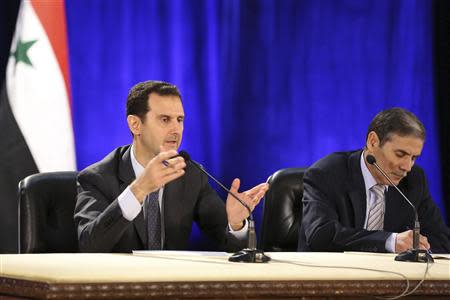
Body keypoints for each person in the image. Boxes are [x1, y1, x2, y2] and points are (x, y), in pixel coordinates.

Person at [74, 80, 268, 253]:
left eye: (180, 120)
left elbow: (232, 247)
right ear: (135, 125)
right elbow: (89, 245)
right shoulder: (97, 178)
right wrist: (139, 189)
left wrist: (235, 225)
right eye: (165, 119)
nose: (176, 129)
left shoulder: (190, 174)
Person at [298, 107, 450, 253]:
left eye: (413, 158)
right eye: (400, 154)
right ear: (373, 142)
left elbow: (441, 239)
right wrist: (390, 241)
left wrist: (419, 246)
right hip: (329, 275)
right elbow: (320, 235)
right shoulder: (327, 173)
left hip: (394, 277)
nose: (407, 167)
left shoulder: (415, 180)